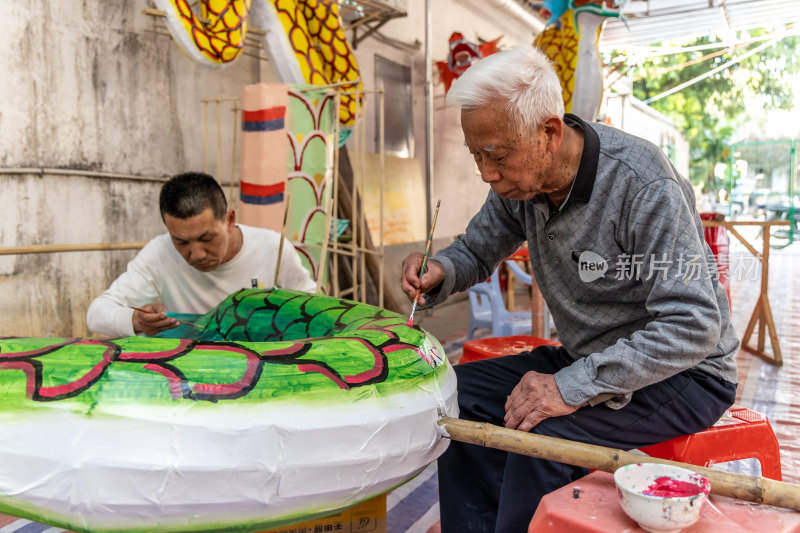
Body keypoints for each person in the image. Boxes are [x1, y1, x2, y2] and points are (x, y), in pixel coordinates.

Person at [401, 45, 738, 532]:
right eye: (476, 155)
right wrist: (438, 271)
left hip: (685, 375)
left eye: (496, 154)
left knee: (545, 431)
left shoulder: (641, 183)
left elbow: (693, 325)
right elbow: (475, 251)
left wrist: (569, 388)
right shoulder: (520, 184)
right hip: (591, 357)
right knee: (455, 395)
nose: (486, 173)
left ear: (550, 133)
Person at [87, 172, 316, 337]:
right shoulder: (160, 253)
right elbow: (97, 313)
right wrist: (136, 321)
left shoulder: (273, 249)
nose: (196, 254)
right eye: (181, 241)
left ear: (229, 220)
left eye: (207, 239)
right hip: (189, 376)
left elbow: (311, 310)